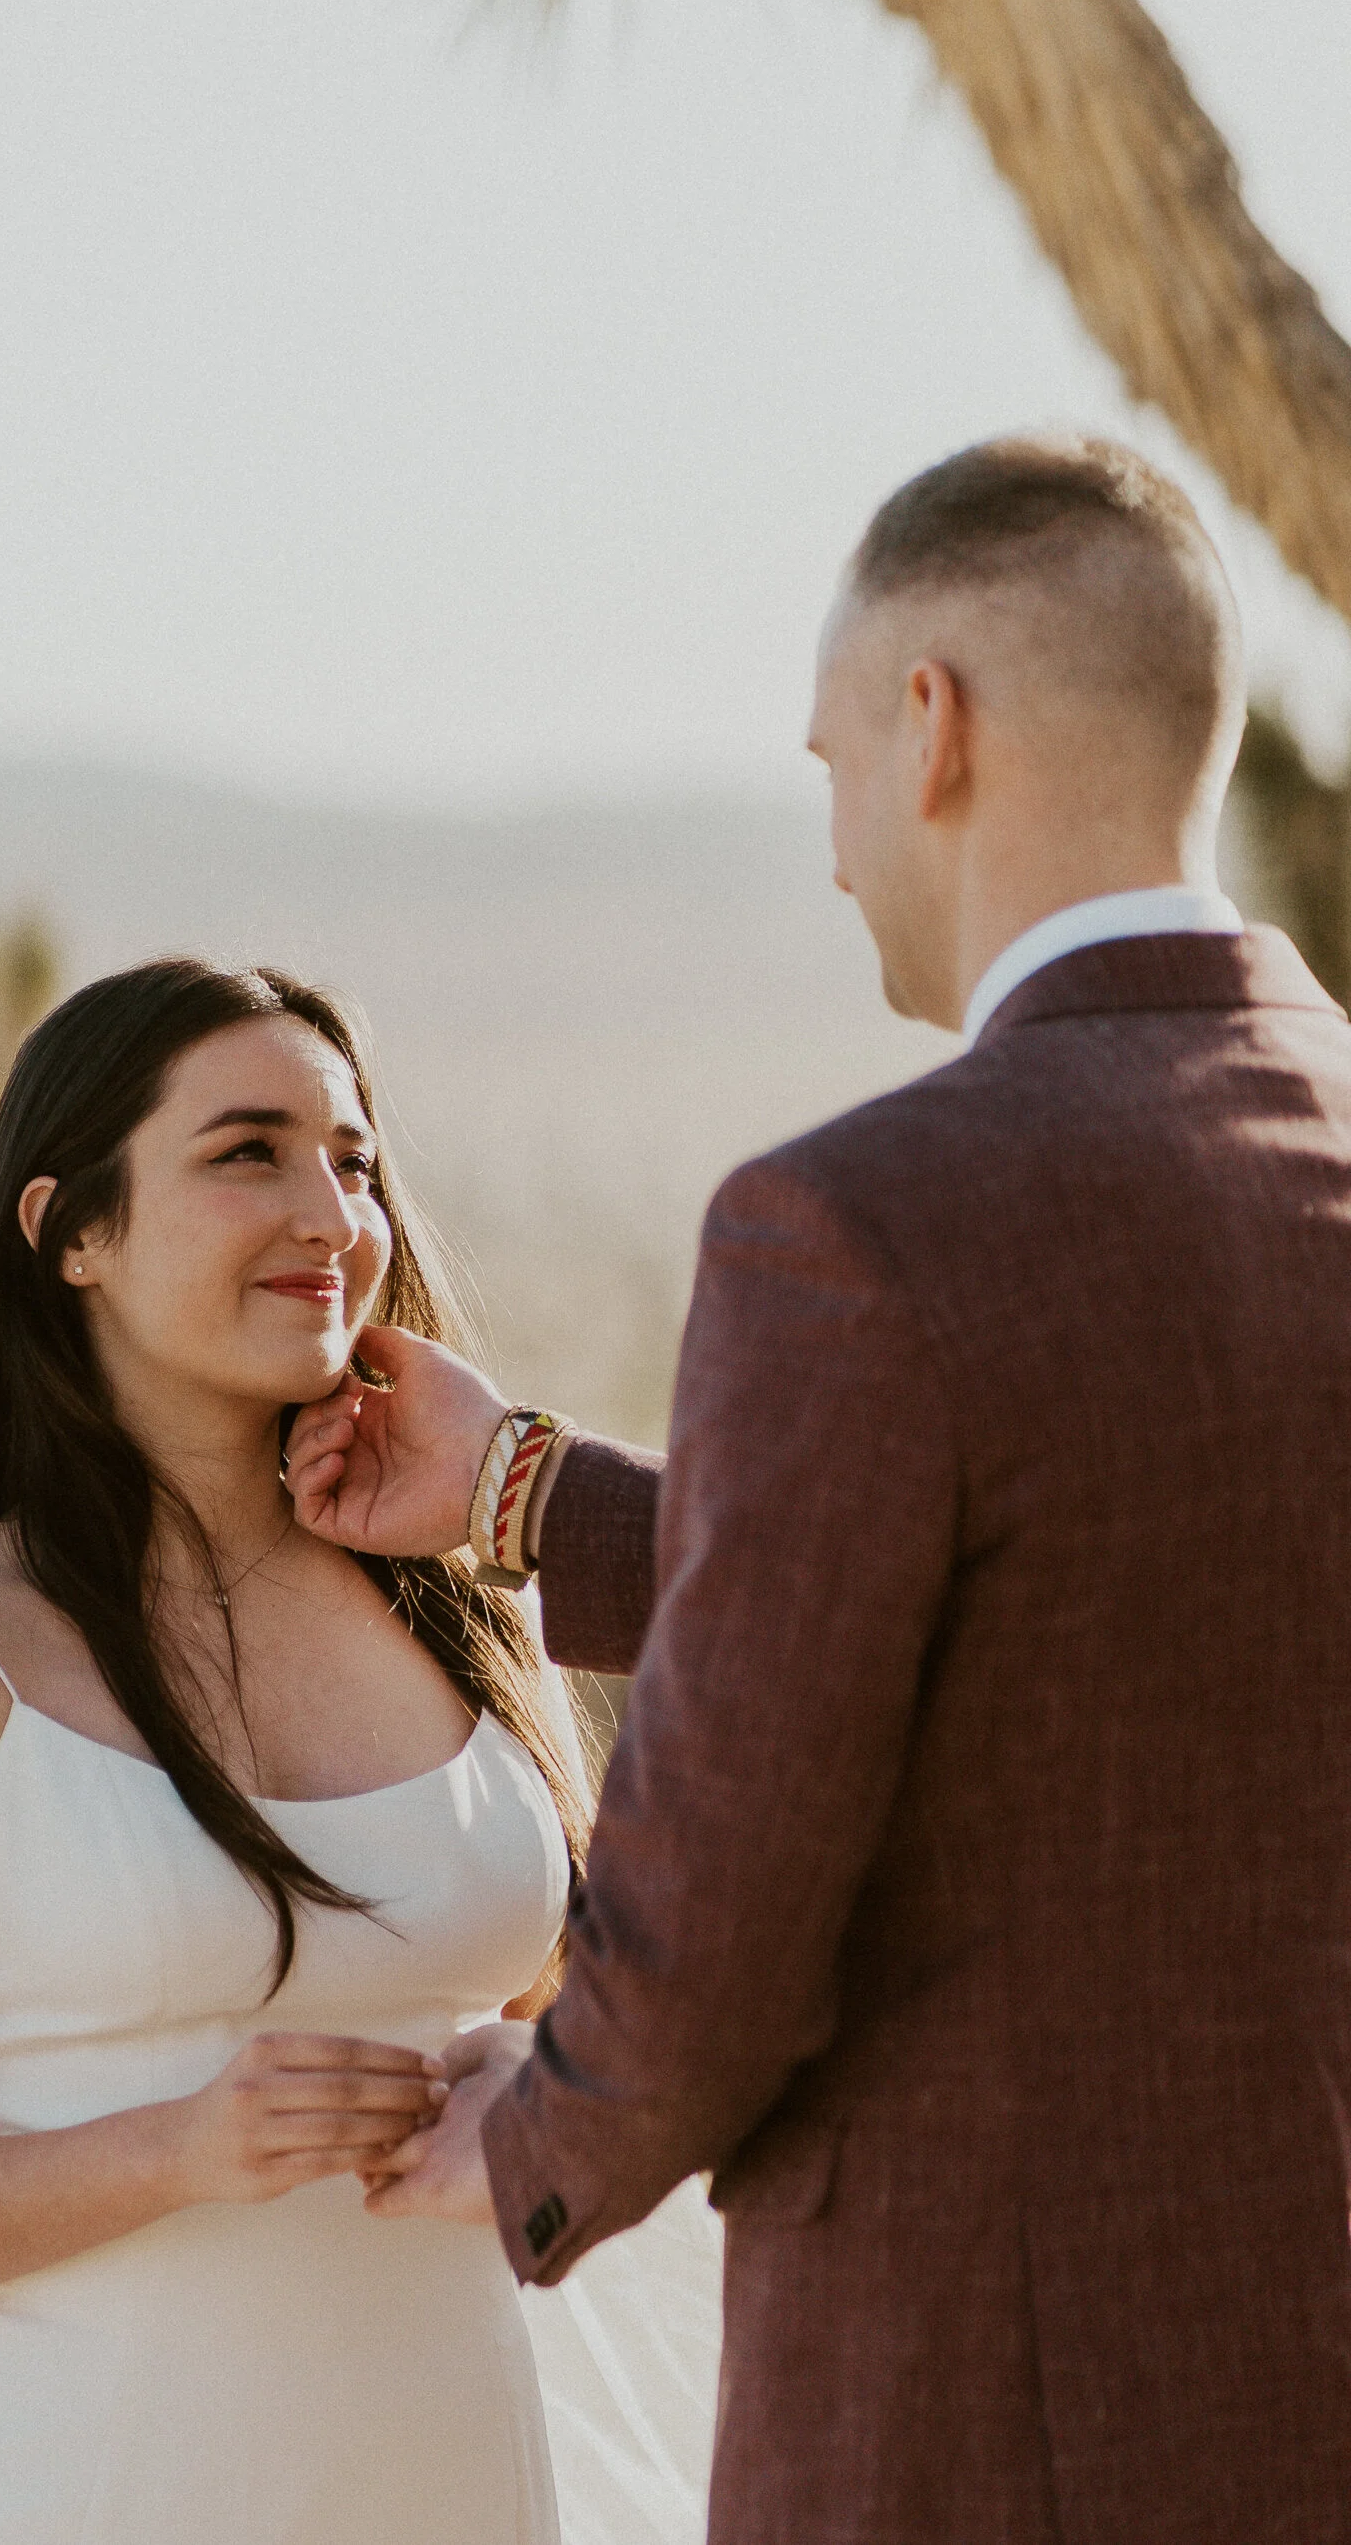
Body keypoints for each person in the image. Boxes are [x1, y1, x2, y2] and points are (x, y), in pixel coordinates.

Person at [288, 433, 1351, 2543]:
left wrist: (551, 2113)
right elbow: (1095, 1578)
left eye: (831, 760)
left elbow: (726, 1905)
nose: (838, 845)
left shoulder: (852, 1224)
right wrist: (522, 1491)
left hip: (995, 2414)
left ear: (933, 725)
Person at [0, 957, 718, 2545]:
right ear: (75, 1235)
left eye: (353, 1157)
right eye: (246, 1150)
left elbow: (583, 2009)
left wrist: (552, 2070)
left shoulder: (467, 1615)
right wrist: (182, 2145)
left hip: (460, 2479)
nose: (331, 1212)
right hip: (89, 2489)